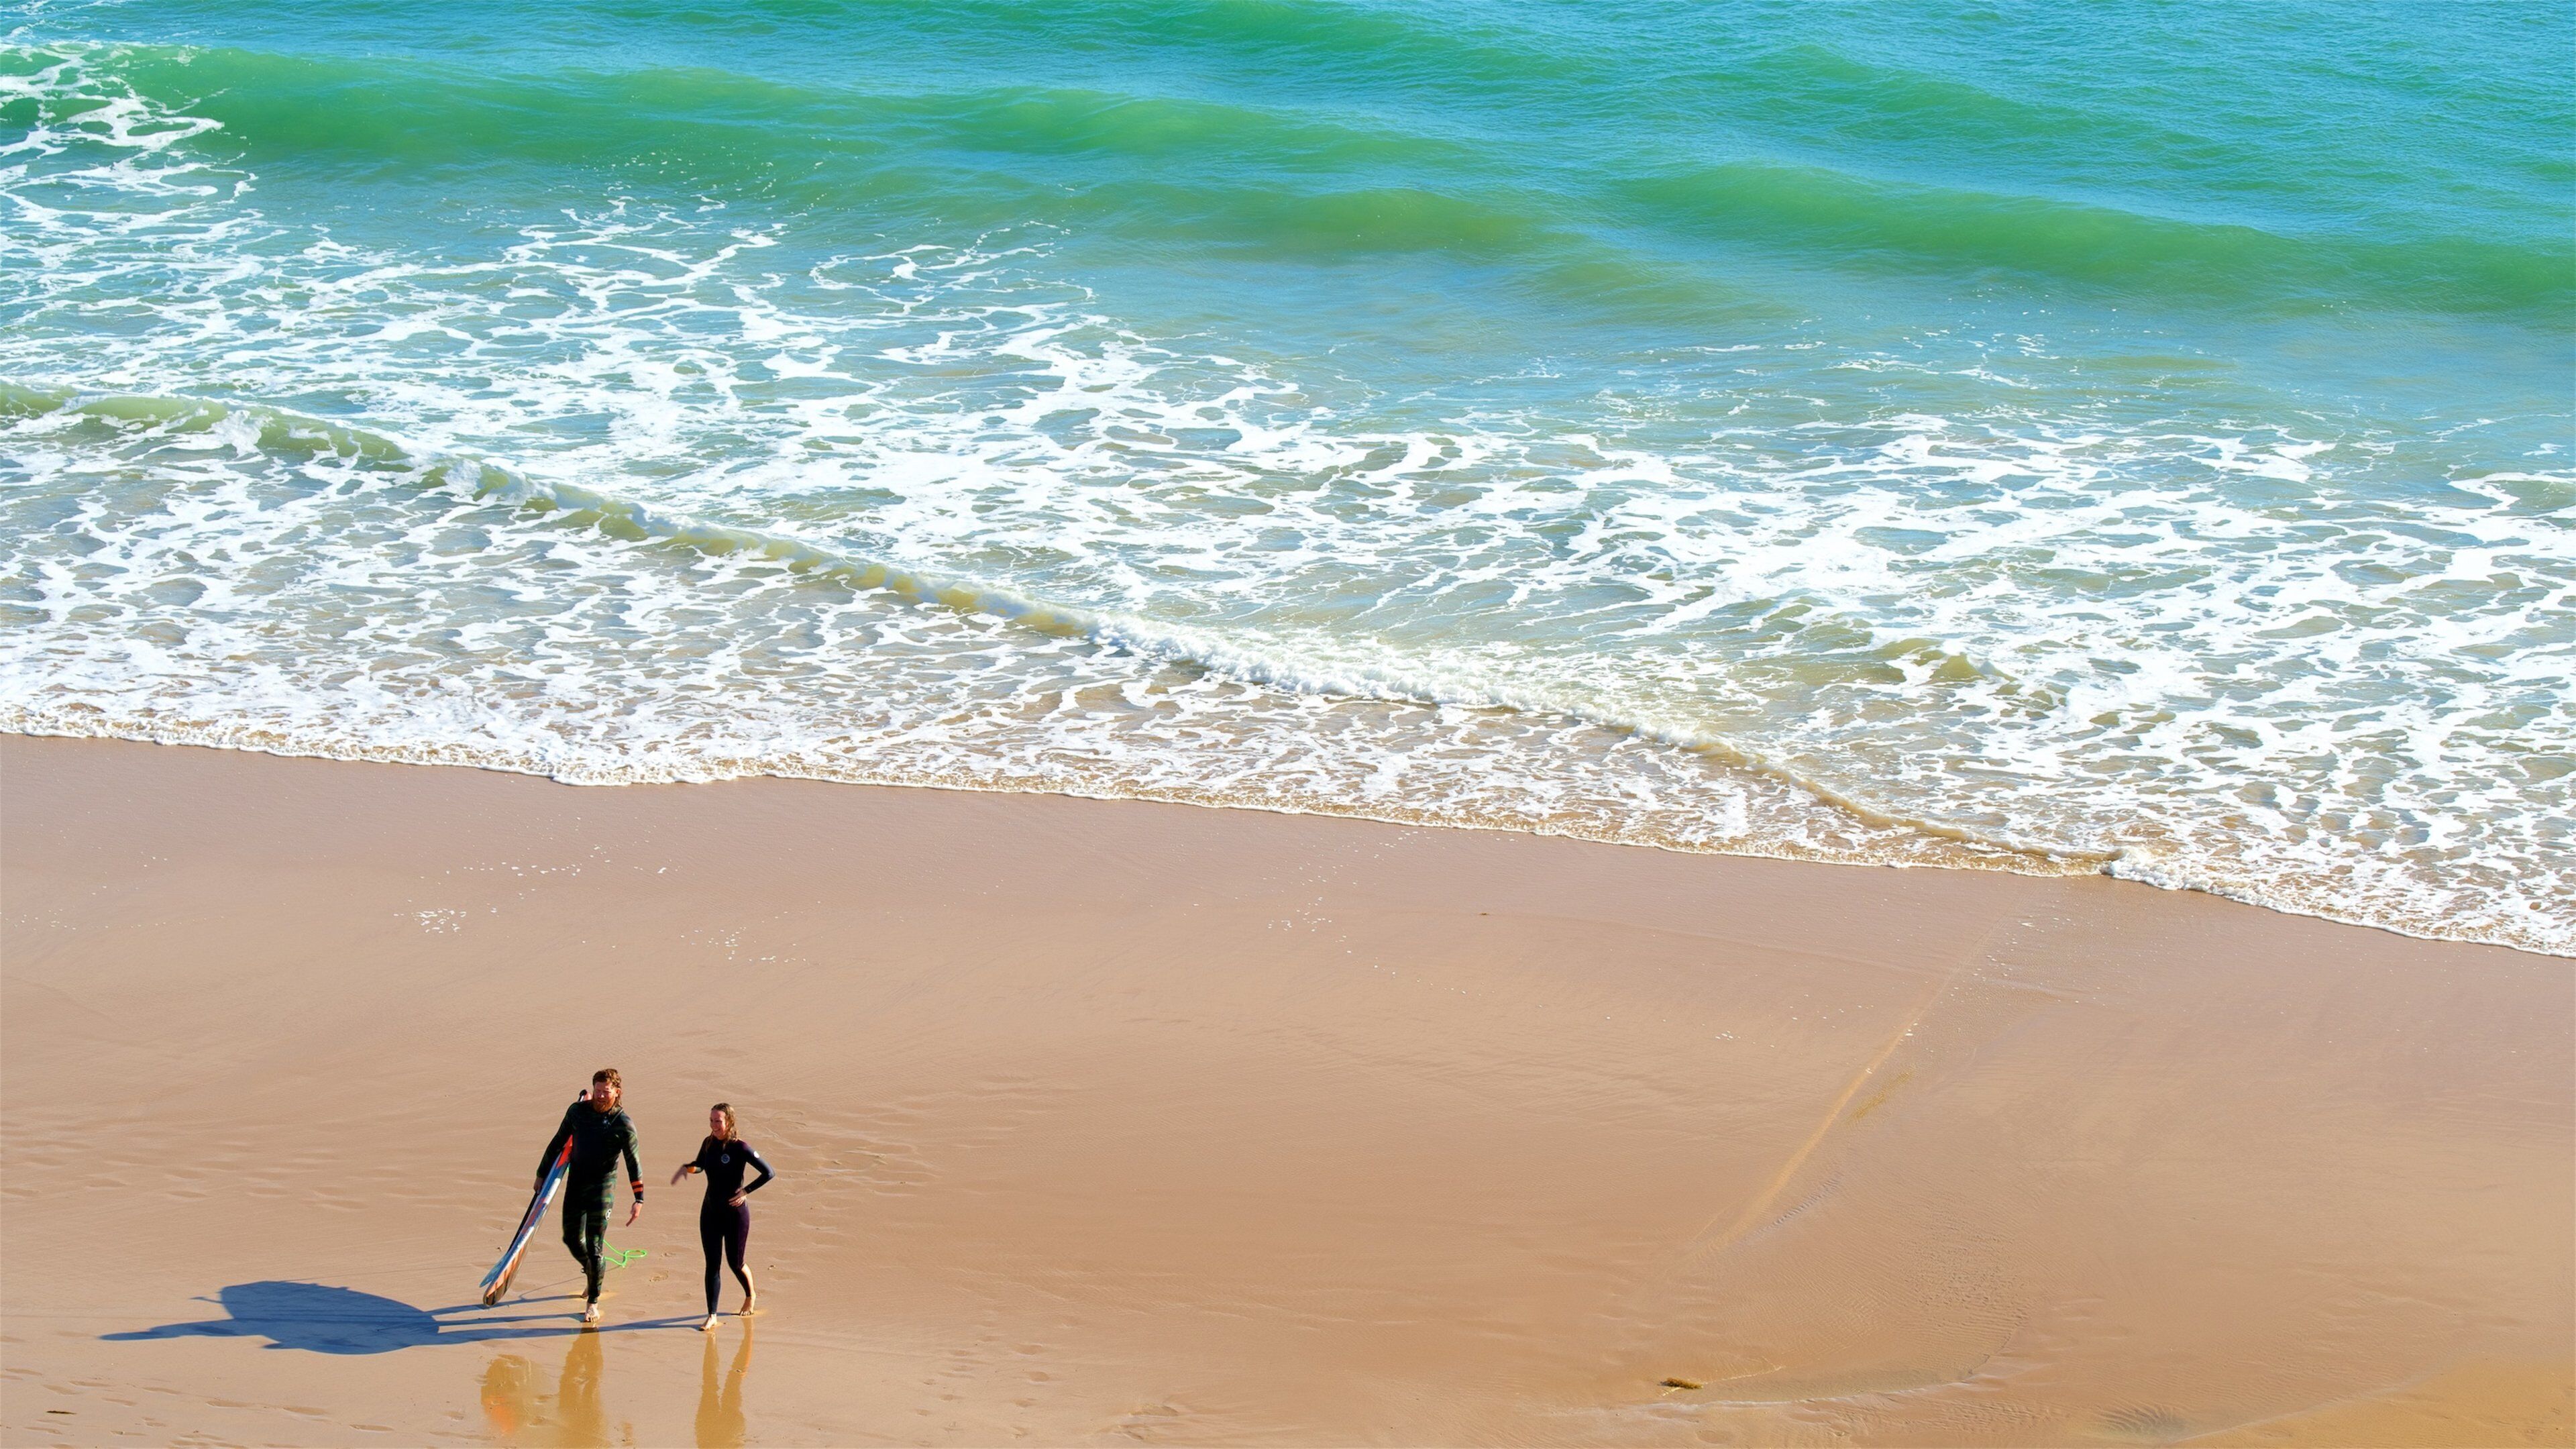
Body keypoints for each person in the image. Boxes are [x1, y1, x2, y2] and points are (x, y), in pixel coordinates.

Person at [535, 1069, 643, 1325]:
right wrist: (542, 1174)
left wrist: (639, 1199)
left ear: (617, 1092)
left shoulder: (623, 1124)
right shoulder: (577, 1112)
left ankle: (592, 1302)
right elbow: (557, 1142)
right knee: (571, 1239)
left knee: (595, 1246)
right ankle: (594, 1272)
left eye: (606, 1092)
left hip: (603, 1186)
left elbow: (633, 1163)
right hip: (577, 1181)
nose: (601, 1096)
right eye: (597, 1091)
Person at [670, 1102, 773, 1331]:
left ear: (729, 1122)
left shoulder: (740, 1148)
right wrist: (687, 1169)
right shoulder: (708, 1143)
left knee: (735, 1263)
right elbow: (700, 1165)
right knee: (712, 1264)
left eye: (718, 1121)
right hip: (710, 1211)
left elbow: (769, 1172)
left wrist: (745, 1192)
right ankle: (712, 1315)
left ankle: (750, 1294)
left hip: (735, 1214)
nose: (714, 1125)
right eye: (711, 1121)